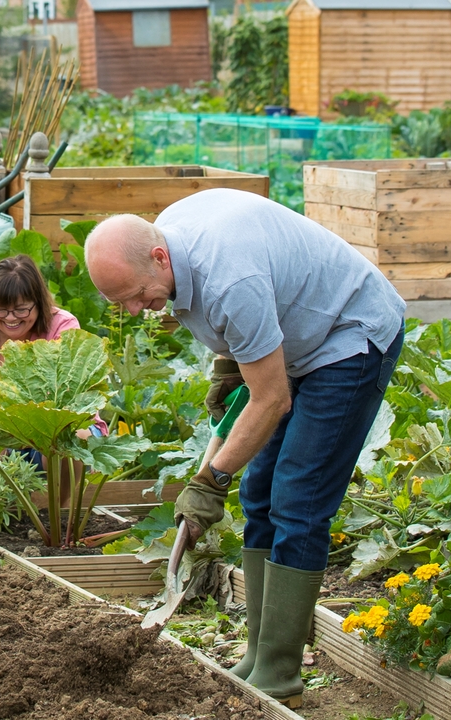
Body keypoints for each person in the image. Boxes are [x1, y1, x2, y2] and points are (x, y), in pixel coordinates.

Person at [83, 188, 405, 709]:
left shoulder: (229, 279)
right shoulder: (170, 242)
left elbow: (271, 398)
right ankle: (257, 652)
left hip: (349, 335)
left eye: (138, 295)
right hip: (297, 342)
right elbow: (248, 345)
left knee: (298, 498)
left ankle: (279, 673)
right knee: (258, 493)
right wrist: (228, 364)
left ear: (159, 257)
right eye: (122, 303)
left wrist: (209, 482)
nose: (138, 309)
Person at [0, 254, 106, 449]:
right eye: (0, 310)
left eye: (21, 309)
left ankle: (66, 481)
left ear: (39, 303)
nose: (10, 318)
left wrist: (4, 419)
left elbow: (69, 400)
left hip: (57, 430)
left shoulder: (62, 327)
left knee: (71, 442)